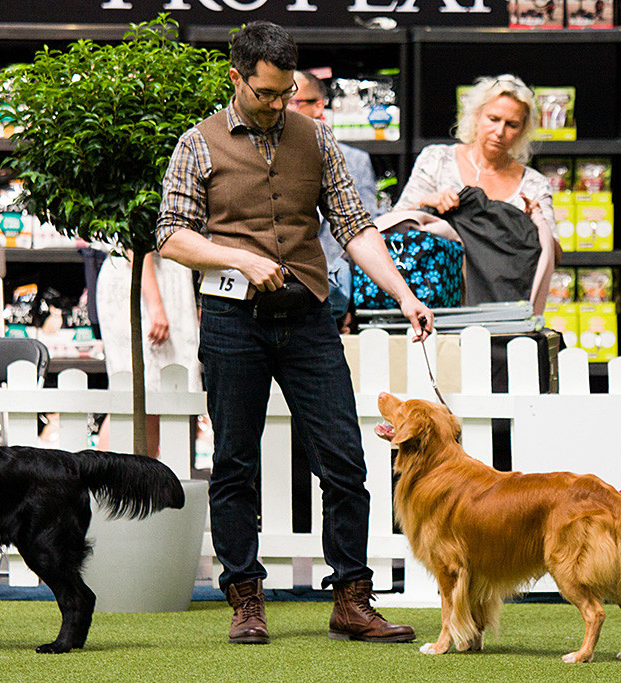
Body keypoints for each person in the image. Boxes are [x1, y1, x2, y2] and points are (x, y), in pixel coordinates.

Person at [155, 21, 431, 646]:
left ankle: (352, 601)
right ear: (237, 79)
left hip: (308, 317)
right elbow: (171, 234)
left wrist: (405, 295)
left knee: (344, 462)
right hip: (232, 322)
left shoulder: (318, 139)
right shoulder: (196, 144)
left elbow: (356, 226)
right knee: (233, 465)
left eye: (287, 94)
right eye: (266, 93)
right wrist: (239, 259)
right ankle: (246, 601)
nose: (279, 105)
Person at [392, 73, 559, 314]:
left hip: (504, 308)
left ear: (523, 130)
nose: (500, 131)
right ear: (476, 116)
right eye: (493, 119)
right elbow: (395, 226)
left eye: (512, 124)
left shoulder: (534, 184)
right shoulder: (437, 160)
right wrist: (426, 204)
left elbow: (553, 255)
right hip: (435, 303)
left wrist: (538, 222)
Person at [287, 69, 378, 332]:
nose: (281, 109)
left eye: (293, 101)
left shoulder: (355, 161)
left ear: (318, 106)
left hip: (333, 297)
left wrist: (348, 299)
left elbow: (365, 230)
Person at [95, 249, 201, 457]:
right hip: (145, 285)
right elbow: (135, 244)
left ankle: (143, 484)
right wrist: (156, 305)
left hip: (160, 283)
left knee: (152, 402)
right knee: (130, 398)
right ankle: (106, 485)